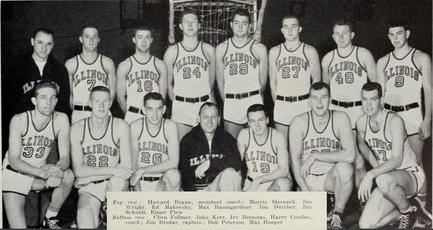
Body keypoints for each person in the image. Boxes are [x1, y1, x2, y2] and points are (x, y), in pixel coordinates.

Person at [356, 82, 431, 229]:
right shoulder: (361, 123)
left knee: (382, 179)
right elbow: (362, 145)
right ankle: (408, 212)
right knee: (365, 225)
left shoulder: (394, 121)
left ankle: (407, 211)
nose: (368, 105)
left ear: (381, 101)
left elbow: (396, 160)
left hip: (410, 175)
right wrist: (377, 166)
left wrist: (371, 173)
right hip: (388, 181)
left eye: (373, 99)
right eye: (365, 99)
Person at [3, 80, 74, 229]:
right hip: (14, 174)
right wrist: (44, 174)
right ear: (34, 100)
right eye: (43, 98)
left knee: (67, 176)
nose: (48, 102)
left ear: (56, 100)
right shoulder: (19, 120)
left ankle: (49, 218)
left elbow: (65, 157)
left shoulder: (61, 119)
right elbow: (14, 161)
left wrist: (57, 171)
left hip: (39, 173)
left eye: (52, 98)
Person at [376, 20, 431, 208]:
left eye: (399, 33)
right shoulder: (383, 61)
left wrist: (427, 120)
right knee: (395, 163)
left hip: (413, 114)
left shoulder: (421, 57)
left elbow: (429, 91)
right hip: (391, 117)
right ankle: (402, 207)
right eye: (391, 34)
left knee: (416, 162)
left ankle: (423, 210)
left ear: (407, 33)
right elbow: (379, 97)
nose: (395, 38)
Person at [321, 18, 376, 195]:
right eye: (337, 33)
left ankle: (362, 199)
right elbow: (324, 91)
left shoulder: (363, 54)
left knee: (359, 159)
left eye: (345, 33)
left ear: (352, 35)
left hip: (358, 110)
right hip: (337, 111)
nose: (341, 37)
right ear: (332, 36)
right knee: (339, 159)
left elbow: (375, 87)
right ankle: (339, 201)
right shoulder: (328, 58)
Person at [290, 82, 355, 229]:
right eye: (315, 98)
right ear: (309, 100)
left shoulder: (341, 118)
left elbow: (350, 155)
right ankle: (322, 203)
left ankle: (337, 215)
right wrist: (305, 190)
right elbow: (294, 159)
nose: (319, 102)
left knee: (345, 168)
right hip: (308, 179)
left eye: (323, 97)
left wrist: (315, 156)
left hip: (330, 178)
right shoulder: (299, 121)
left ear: (330, 99)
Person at [70, 86, 131, 228]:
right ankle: (101, 213)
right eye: (97, 101)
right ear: (90, 103)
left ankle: (109, 212)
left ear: (110, 103)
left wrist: (90, 175)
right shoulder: (77, 128)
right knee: (86, 225)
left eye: (105, 101)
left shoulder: (121, 126)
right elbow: (78, 171)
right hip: (90, 187)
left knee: (118, 181)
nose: (101, 105)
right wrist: (113, 170)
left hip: (113, 184)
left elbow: (126, 167)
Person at [216, 8, 268, 138]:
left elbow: (263, 83)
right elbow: (220, 83)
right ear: (231, 25)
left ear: (250, 26)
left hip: (253, 100)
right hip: (232, 104)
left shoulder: (259, 49)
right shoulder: (221, 49)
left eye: (244, 23)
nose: (240, 27)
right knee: (232, 148)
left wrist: (252, 96)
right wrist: (229, 100)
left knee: (256, 147)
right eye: (237, 23)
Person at [163, 9, 215, 140]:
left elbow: (211, 82)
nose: (190, 25)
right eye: (186, 22)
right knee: (181, 151)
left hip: (203, 104)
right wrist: (177, 103)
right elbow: (168, 85)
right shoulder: (172, 52)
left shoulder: (209, 50)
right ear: (180, 26)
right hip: (181, 107)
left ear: (199, 25)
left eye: (194, 22)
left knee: (206, 150)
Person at [269, 15, 320, 141]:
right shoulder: (275, 51)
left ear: (300, 29)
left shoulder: (309, 51)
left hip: (303, 104)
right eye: (286, 27)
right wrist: (280, 103)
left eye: (293, 26)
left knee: (303, 147)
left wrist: (311, 105)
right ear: (282, 30)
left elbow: (317, 82)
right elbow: (272, 83)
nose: (290, 30)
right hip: (282, 105)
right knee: (283, 146)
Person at [179, 102, 242, 191]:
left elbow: (236, 162)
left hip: (217, 188)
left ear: (219, 119)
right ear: (199, 118)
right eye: (205, 117)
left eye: (213, 117)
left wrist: (211, 163)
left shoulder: (226, 138)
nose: (210, 121)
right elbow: (183, 172)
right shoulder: (188, 140)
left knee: (230, 174)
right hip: (196, 191)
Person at [129, 92, 181, 191]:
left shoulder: (170, 126)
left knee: (174, 175)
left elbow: (174, 162)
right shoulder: (136, 126)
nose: (154, 114)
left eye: (158, 109)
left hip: (161, 183)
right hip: (141, 181)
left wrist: (144, 170)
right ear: (144, 110)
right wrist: (137, 189)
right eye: (150, 109)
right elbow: (133, 163)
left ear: (164, 109)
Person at [65, 25, 117, 124]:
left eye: (94, 37)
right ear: (81, 39)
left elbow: (112, 93)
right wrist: (79, 109)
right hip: (80, 113)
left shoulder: (107, 63)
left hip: (102, 112)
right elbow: (69, 95)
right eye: (87, 37)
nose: (91, 40)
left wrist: (102, 109)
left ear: (98, 39)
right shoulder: (71, 64)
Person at [117, 26, 168, 124]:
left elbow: (162, 97)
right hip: (133, 115)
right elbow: (120, 98)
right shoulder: (124, 65)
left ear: (152, 40)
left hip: (154, 116)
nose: (144, 42)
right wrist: (129, 113)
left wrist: (155, 113)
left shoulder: (160, 65)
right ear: (134, 40)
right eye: (140, 37)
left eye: (147, 37)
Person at [237, 104, 292, 192]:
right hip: (251, 184)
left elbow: (284, 170)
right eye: (252, 121)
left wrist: (258, 180)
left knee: (284, 183)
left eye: (260, 120)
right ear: (248, 123)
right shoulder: (244, 135)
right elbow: (237, 165)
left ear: (267, 120)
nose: (257, 125)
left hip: (272, 184)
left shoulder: (277, 136)